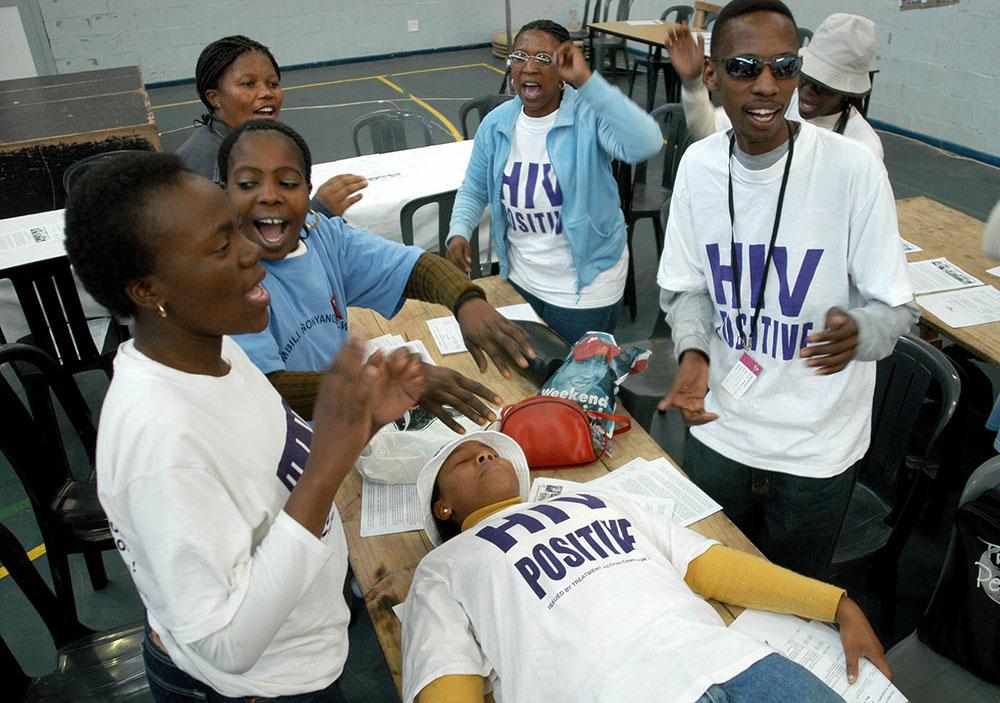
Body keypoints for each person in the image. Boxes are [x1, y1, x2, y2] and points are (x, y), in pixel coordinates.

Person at [63, 151, 425, 700]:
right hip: (254, 688)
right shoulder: (159, 440)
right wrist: (325, 471)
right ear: (147, 290)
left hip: (301, 652)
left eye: (236, 228)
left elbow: (273, 479)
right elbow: (226, 641)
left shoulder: (218, 352)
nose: (254, 250)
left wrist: (362, 423)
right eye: (221, 246)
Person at [655, 0, 919, 577]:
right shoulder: (699, 167)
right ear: (713, 74)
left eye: (785, 67)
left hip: (815, 451)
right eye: (746, 67)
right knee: (711, 585)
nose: (769, 86)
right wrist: (695, 352)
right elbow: (687, 289)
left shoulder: (853, 169)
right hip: (719, 433)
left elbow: (898, 311)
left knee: (793, 600)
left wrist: (863, 332)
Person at [402, 431, 891, 703]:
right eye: (465, 461)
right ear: (442, 507)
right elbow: (447, 675)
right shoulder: (446, 564)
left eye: (490, 449)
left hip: (733, 662)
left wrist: (836, 604)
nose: (484, 453)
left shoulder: (594, 500)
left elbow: (709, 565)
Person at [218, 118, 535, 431]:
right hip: (281, 446)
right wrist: (382, 385)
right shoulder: (227, 281)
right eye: (248, 184)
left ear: (308, 192)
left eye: (287, 183)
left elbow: (411, 267)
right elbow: (268, 388)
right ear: (224, 192)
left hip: (337, 423)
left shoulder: (322, 234)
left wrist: (466, 301)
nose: (270, 195)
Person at [445, 20, 662, 345]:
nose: (529, 67)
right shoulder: (498, 123)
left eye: (544, 59)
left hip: (586, 287)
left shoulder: (587, 115)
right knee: (529, 379)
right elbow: (474, 187)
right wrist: (459, 230)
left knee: (576, 386)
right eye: (520, 57)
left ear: (564, 69)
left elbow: (646, 143)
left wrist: (589, 82)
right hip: (520, 278)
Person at [175, 34, 366, 217]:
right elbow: (236, 242)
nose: (266, 93)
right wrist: (316, 210)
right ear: (214, 98)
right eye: (249, 84)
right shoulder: (211, 164)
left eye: (273, 84)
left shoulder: (245, 143)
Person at [666, 12, 884, 160]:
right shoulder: (784, 101)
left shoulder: (863, 148)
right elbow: (709, 131)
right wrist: (693, 84)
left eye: (823, 87)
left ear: (845, 93)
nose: (807, 91)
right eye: (804, 77)